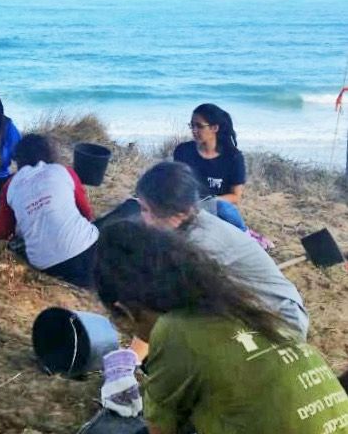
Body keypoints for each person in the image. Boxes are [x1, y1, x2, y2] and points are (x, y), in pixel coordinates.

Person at [94, 220, 348, 434]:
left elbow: (159, 430)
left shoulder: (172, 331)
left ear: (125, 310)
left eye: (126, 327)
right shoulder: (234, 301)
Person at [136, 160, 309, 337]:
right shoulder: (189, 222)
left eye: (146, 210)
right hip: (247, 310)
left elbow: (169, 304)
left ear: (179, 213)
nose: (144, 219)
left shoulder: (202, 243)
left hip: (281, 321)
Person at [0, 134, 98, 288]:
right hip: (88, 252)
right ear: (50, 153)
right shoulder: (64, 171)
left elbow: (2, 232)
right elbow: (86, 214)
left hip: (47, 265)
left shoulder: (10, 185)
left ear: (19, 159)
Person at [173, 103, 248, 231]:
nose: (194, 130)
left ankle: (246, 235)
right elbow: (175, 183)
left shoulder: (233, 157)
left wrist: (205, 203)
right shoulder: (183, 151)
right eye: (192, 125)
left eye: (199, 126)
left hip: (216, 208)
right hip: (186, 207)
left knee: (224, 208)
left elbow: (235, 196)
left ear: (214, 128)